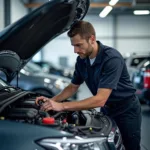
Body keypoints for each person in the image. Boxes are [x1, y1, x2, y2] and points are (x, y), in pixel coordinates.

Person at [36, 21, 141, 150]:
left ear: (92, 39)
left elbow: (100, 99)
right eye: (73, 46)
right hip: (107, 110)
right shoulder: (82, 60)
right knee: (110, 146)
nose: (75, 50)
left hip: (126, 111)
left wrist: (62, 106)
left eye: (79, 45)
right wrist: (52, 101)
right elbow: (73, 87)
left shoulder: (111, 59)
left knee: (130, 146)